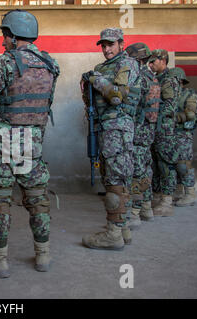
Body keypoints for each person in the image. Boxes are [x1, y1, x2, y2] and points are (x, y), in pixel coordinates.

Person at [0, 9, 60, 277]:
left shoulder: (7, 61)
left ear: (14, 36)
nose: (3, 41)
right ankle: (43, 256)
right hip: (32, 143)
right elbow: (46, 106)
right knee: (37, 199)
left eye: (5, 35)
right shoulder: (50, 64)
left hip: (4, 140)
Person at [80, 28, 141, 250]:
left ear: (121, 44)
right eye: (103, 45)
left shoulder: (127, 64)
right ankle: (122, 229)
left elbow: (116, 96)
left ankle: (113, 234)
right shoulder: (103, 68)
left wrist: (95, 80)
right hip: (105, 127)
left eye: (110, 44)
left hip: (118, 128)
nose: (106, 49)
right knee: (113, 178)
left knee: (116, 180)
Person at [124, 43, 161, 229]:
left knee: (136, 172)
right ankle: (147, 207)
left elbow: (131, 106)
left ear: (136, 59)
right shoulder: (152, 78)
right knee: (146, 168)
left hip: (138, 130)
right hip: (149, 131)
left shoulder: (138, 78)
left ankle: (135, 213)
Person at [148, 49, 181, 217]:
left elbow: (169, 106)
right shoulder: (155, 79)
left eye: (153, 61)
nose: (150, 64)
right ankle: (158, 196)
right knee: (154, 163)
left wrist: (153, 114)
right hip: (154, 127)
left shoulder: (169, 80)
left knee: (166, 163)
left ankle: (167, 200)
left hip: (164, 128)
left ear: (163, 60)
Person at [169, 67, 197, 207]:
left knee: (183, 164)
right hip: (172, 134)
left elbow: (190, 114)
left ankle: (190, 193)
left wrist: (173, 117)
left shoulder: (189, 95)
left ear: (179, 81)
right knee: (174, 164)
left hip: (183, 134)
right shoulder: (171, 97)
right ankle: (179, 191)